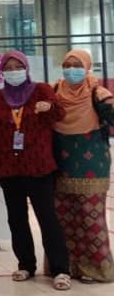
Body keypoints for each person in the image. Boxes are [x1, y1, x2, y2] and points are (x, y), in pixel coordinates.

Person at [0, 50, 71, 290]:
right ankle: (26, 264)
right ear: (2, 72)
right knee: (17, 219)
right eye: (8, 68)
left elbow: (60, 113)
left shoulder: (41, 90)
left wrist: (49, 107)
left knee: (48, 219)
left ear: (26, 68)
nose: (13, 72)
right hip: (9, 169)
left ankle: (61, 269)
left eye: (18, 67)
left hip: (39, 167)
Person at [51, 49, 114, 282]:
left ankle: (95, 268)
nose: (71, 70)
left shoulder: (98, 92)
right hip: (60, 162)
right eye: (67, 65)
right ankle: (66, 267)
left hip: (92, 163)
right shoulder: (54, 91)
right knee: (63, 217)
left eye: (77, 65)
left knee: (90, 217)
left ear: (87, 67)